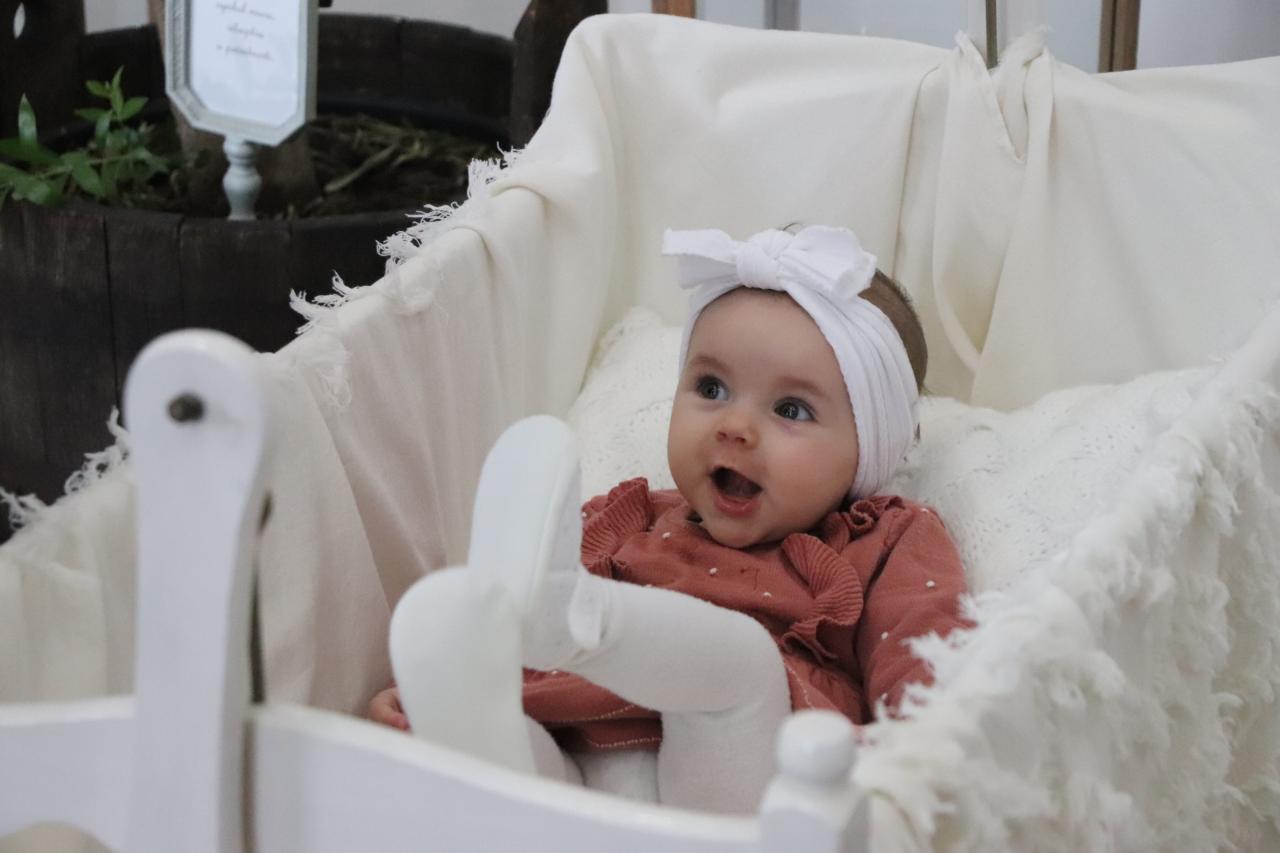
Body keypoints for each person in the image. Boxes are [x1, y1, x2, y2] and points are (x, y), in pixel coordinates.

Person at [368, 225, 970, 813]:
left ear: (870, 446)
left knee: (741, 665)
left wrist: (899, 773)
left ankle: (573, 620)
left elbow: (928, 688)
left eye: (791, 409)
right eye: (711, 387)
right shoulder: (628, 520)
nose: (734, 426)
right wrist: (440, 701)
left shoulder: (885, 540)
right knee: (497, 729)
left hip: (736, 796)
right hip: (570, 787)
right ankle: (460, 686)